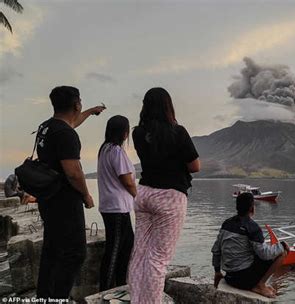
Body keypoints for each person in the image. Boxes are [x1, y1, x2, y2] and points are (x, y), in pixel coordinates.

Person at [128, 87, 200, 303]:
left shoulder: (137, 133)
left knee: (139, 253)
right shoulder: (178, 132)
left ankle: (136, 300)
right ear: (169, 106)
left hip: (144, 194)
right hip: (170, 197)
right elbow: (195, 166)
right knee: (158, 259)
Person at [36, 86, 105, 300]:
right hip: (65, 202)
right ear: (76, 104)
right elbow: (73, 172)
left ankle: (45, 297)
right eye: (81, 102)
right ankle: (58, 297)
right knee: (75, 253)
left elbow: (73, 122)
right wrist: (86, 195)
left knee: (52, 250)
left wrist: (92, 111)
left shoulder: (46, 127)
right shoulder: (66, 134)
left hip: (48, 198)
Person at [211, 193, 289, 298]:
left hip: (229, 278)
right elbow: (265, 254)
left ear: (237, 207)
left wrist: (217, 272)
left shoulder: (227, 223)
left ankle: (258, 284)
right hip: (244, 281)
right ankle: (260, 285)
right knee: (282, 253)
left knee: (254, 250)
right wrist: (282, 245)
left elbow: (216, 250)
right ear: (252, 208)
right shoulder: (252, 227)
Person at [97, 115, 136, 291]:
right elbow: (127, 180)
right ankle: (105, 290)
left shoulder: (104, 149)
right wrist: (139, 197)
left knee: (126, 246)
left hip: (111, 206)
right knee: (115, 250)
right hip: (117, 208)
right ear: (124, 132)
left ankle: (121, 286)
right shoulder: (116, 151)